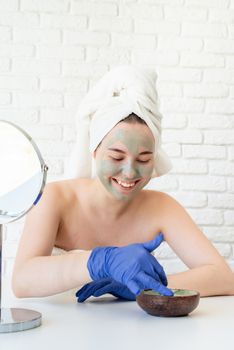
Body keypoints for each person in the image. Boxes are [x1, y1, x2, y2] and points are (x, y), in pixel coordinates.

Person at [12, 66, 234, 301]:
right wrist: (100, 261)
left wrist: (140, 286)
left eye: (144, 159)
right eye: (117, 157)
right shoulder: (54, 198)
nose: (129, 172)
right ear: (94, 151)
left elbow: (224, 278)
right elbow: (22, 281)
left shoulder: (162, 208)